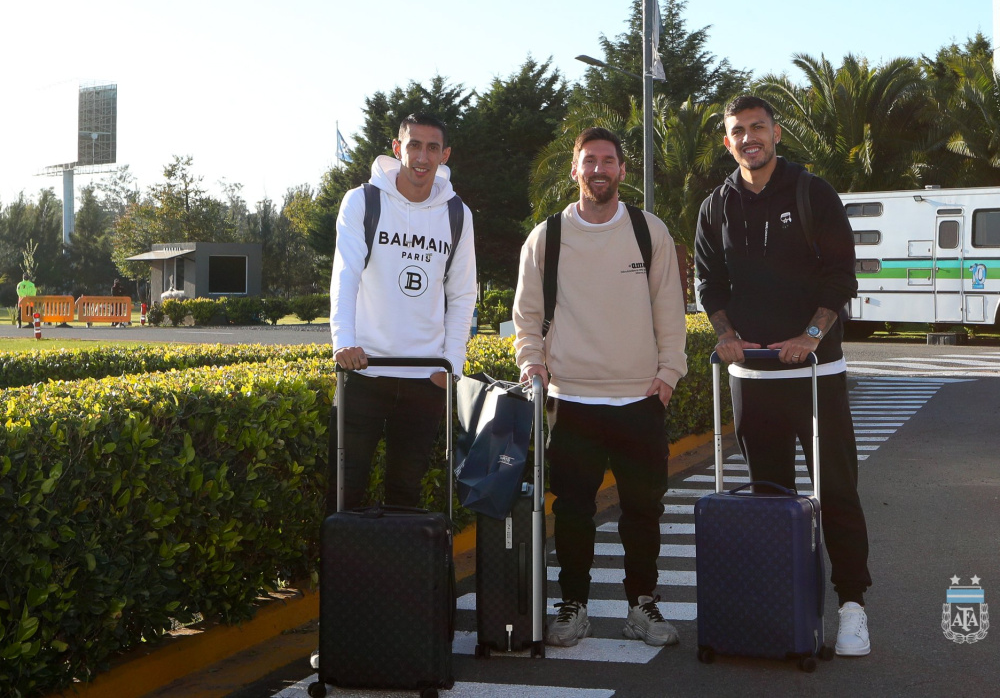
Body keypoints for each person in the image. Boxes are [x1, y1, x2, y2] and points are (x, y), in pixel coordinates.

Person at [693, 94, 872, 657]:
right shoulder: (715, 206)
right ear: (728, 141)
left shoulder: (812, 192)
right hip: (753, 379)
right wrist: (726, 335)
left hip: (817, 374)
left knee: (836, 492)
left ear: (776, 133)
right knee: (769, 498)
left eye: (758, 127)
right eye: (739, 130)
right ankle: (782, 609)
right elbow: (708, 283)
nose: (749, 138)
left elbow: (841, 276)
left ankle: (852, 607)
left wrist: (810, 336)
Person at [513, 127, 688, 648]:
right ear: (575, 170)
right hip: (571, 400)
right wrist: (532, 364)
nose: (598, 169)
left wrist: (668, 374)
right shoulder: (547, 236)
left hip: (640, 399)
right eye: (589, 160)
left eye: (608, 160)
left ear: (622, 170)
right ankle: (574, 606)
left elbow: (670, 308)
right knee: (572, 512)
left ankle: (642, 606)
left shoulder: (648, 231)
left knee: (643, 512)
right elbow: (527, 314)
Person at [327, 113, 477, 514]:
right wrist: (344, 343)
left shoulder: (457, 213)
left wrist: (451, 365)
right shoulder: (362, 201)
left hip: (425, 379)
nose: (422, 157)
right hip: (364, 372)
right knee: (343, 495)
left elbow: (462, 294)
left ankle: (402, 560)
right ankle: (342, 560)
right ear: (397, 148)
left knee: (406, 499)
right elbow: (345, 275)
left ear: (444, 155)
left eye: (432, 148)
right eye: (413, 145)